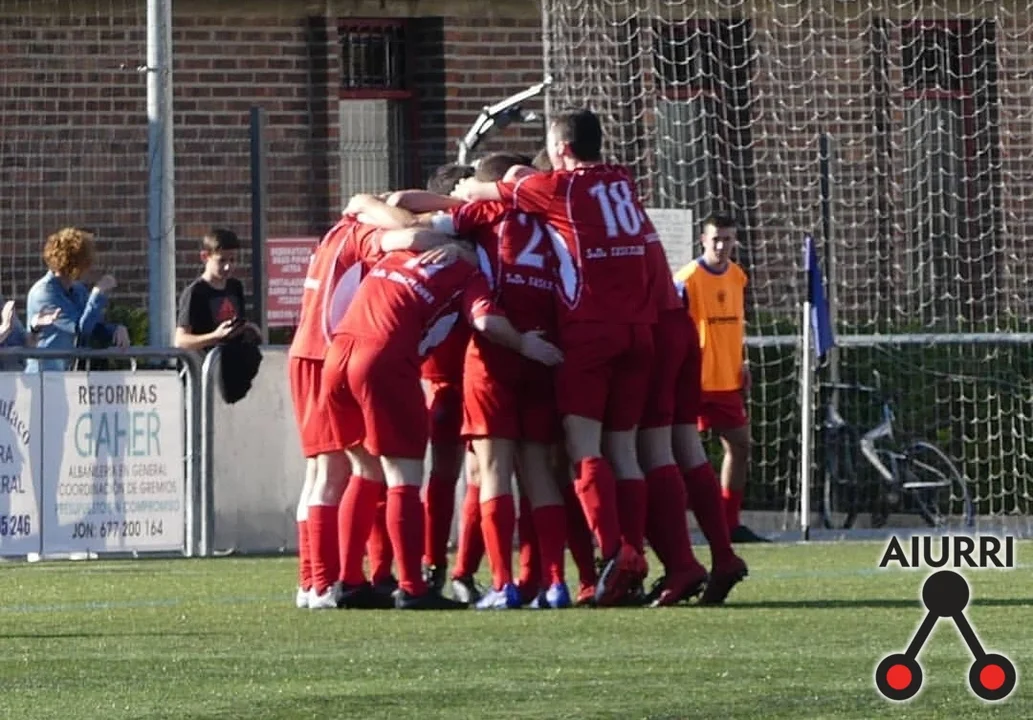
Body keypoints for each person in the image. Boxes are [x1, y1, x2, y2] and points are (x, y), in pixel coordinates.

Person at [452, 108, 654, 607]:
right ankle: (602, 570)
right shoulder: (621, 179)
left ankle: (611, 557)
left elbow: (476, 193)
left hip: (577, 330)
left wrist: (470, 187)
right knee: (617, 452)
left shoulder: (552, 190)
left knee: (564, 452)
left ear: (562, 149)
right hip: (635, 328)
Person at [325, 242, 563, 610]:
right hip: (384, 359)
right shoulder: (468, 273)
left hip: (337, 355)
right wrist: (524, 344)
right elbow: (486, 321)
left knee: (364, 469)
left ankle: (350, 581)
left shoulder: (397, 250)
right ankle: (413, 587)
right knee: (404, 477)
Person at [289, 194, 455, 610]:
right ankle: (323, 583)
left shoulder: (338, 231)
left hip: (317, 353)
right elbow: (408, 236)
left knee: (341, 471)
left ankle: (323, 581)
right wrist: (450, 239)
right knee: (334, 472)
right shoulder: (363, 232)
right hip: (325, 352)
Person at [430, 152, 572, 610]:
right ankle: (555, 583)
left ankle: (503, 584)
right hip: (545, 348)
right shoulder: (553, 218)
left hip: (496, 353)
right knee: (539, 470)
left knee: (492, 471)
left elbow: (423, 222)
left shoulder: (486, 211)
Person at [674, 214, 768, 544]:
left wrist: (742, 361)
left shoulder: (737, 276)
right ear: (703, 240)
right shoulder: (687, 279)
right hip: (693, 383)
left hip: (727, 381)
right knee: (679, 457)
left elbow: (736, 324)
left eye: (727, 239)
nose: (721, 245)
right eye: (715, 239)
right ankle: (673, 527)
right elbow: (673, 329)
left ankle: (730, 522)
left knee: (740, 446)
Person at [25, 227, 129, 373]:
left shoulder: (77, 290)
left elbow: (92, 326)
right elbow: (80, 329)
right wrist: (97, 293)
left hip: (68, 374)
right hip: (44, 374)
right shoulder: (44, 293)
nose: (89, 268)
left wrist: (115, 329)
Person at [174, 228, 255, 353]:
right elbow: (181, 340)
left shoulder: (235, 286)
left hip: (233, 358)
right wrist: (215, 336)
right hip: (206, 361)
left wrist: (248, 329)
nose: (228, 267)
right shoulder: (195, 292)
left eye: (232, 260)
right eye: (221, 261)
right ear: (205, 257)